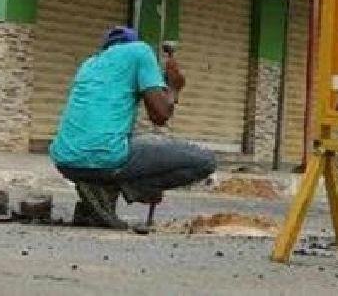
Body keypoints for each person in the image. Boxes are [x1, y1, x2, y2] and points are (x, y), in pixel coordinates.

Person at [50, 27, 217, 229]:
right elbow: (160, 116)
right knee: (205, 161)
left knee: (128, 142)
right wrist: (173, 88)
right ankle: (106, 187)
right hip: (104, 157)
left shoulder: (90, 63)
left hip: (65, 160)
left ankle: (96, 193)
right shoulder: (140, 51)